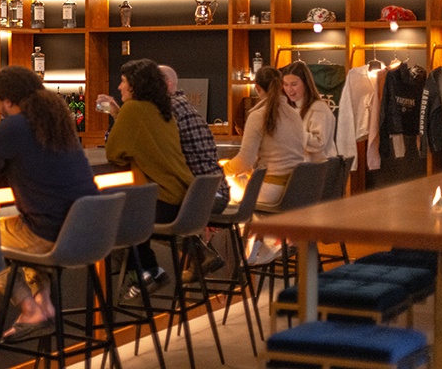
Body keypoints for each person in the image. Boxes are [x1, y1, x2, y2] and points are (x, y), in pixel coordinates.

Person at [0, 66, 97, 343]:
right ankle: (44, 303)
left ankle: (30, 309)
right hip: (87, 230)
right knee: (22, 230)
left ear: (7, 100)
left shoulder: (14, 125)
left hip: (50, 232)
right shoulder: (59, 120)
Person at [100, 59, 194, 300]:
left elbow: (114, 153)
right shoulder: (161, 109)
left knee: (115, 219)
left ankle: (146, 273)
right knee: (128, 213)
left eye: (123, 82)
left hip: (164, 202)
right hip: (184, 200)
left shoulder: (134, 109)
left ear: (135, 86)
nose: (119, 87)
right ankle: (148, 272)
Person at [222, 66, 305, 264]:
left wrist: (222, 169)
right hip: (294, 191)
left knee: (226, 199)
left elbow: (244, 161)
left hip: (271, 193)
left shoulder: (257, 116)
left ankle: (236, 262)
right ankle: (266, 243)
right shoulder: (294, 114)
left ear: (257, 88)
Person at [157, 65, 228, 282]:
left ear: (166, 84)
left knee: (137, 220)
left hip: (201, 198)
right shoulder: (185, 105)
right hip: (216, 192)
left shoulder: (168, 109)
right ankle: (200, 255)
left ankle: (150, 277)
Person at [281, 60, 337, 162]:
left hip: (318, 170)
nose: (289, 90)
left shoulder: (318, 108)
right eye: (285, 84)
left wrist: (290, 132)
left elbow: (318, 143)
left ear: (306, 84)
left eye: (294, 84)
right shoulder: (291, 108)